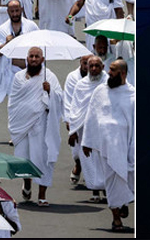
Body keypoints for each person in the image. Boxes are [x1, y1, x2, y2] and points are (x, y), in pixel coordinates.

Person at [80, 60, 136, 232]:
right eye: (110, 69)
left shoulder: (132, 95)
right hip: (106, 145)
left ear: (123, 74)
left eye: (113, 70)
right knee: (111, 181)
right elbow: (91, 115)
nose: (109, 73)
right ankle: (116, 218)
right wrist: (87, 141)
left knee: (128, 179)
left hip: (125, 145)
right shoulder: (100, 91)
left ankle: (123, 201)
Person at [7, 47, 63, 206]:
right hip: (22, 124)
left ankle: (42, 194)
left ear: (42, 59)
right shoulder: (18, 77)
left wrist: (50, 91)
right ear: (27, 58)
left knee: (43, 158)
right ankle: (27, 182)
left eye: (37, 56)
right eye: (31, 56)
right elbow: (13, 101)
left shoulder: (49, 76)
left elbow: (60, 97)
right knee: (24, 157)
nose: (33, 59)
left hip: (41, 124)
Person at [64, 55, 106, 199]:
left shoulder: (108, 83)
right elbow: (76, 108)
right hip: (84, 129)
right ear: (86, 67)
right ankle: (94, 191)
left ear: (103, 67)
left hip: (103, 128)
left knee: (103, 159)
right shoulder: (81, 84)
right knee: (89, 160)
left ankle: (107, 190)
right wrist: (73, 131)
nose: (93, 69)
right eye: (91, 66)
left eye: (97, 66)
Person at [0, 0, 38, 103]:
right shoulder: (2, 29)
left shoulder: (31, 26)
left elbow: (40, 47)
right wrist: (6, 44)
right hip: (11, 72)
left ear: (21, 9)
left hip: (29, 71)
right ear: (8, 12)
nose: (15, 14)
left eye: (17, 10)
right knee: (14, 104)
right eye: (12, 11)